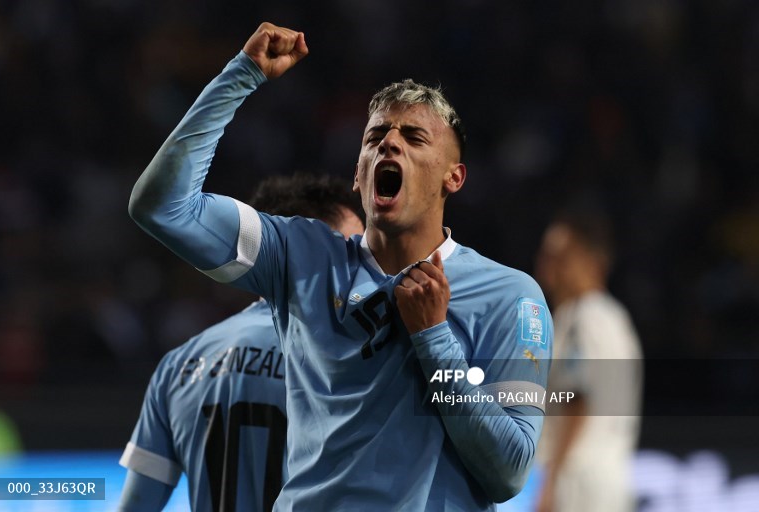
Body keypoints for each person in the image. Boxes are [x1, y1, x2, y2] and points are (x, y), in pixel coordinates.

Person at [128, 22, 552, 511]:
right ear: (357, 172)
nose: (389, 145)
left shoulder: (509, 295)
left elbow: (510, 470)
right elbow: (162, 207)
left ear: (453, 177)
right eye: (375, 137)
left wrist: (434, 343)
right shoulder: (300, 256)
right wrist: (240, 76)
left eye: (414, 138)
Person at [118, 174, 364, 512]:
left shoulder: (178, 365)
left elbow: (136, 506)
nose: (367, 264)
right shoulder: (349, 357)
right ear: (311, 250)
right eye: (354, 248)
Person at [533, 210, 643, 512]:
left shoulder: (587, 316)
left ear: (591, 261)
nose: (547, 265)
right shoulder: (610, 317)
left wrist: (550, 482)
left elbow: (577, 398)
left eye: (560, 256)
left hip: (580, 482)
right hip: (605, 476)